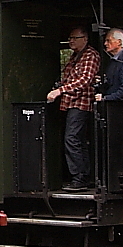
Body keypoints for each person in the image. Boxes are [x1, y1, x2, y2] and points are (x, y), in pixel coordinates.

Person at [46, 27, 100, 190]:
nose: (70, 41)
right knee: (78, 140)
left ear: (85, 38)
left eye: (74, 38)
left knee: (72, 138)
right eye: (70, 38)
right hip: (70, 103)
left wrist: (59, 91)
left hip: (81, 103)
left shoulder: (90, 55)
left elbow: (84, 80)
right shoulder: (75, 57)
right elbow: (67, 77)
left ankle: (79, 177)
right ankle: (84, 175)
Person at [95, 28, 123, 102]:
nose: (105, 44)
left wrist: (106, 98)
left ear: (119, 42)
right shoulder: (115, 61)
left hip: (121, 109)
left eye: (109, 41)